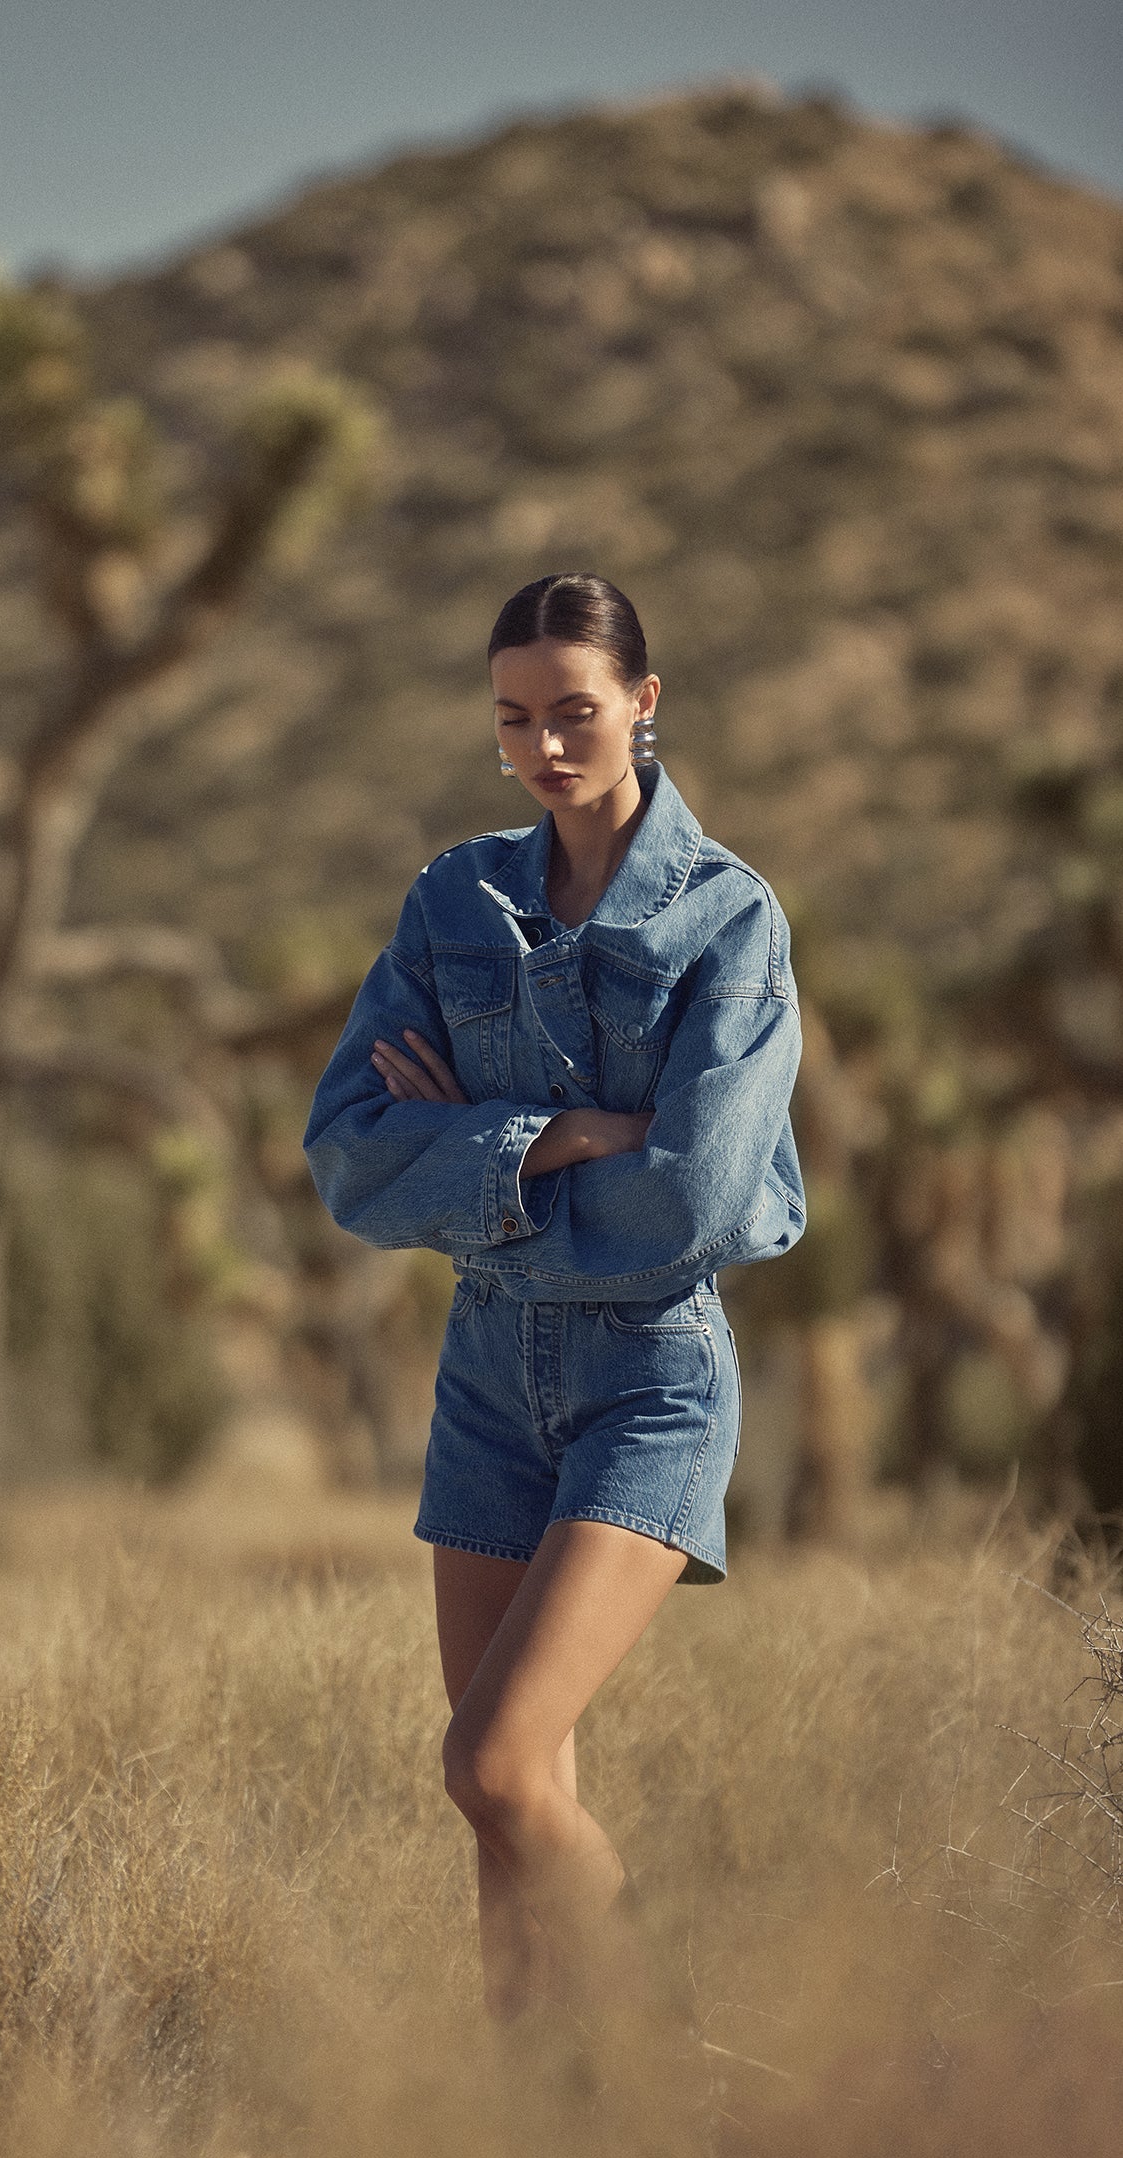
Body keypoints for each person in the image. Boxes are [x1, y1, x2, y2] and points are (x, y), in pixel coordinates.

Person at [303, 572, 806, 2027]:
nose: (544, 747)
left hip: (649, 1377)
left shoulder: (727, 917)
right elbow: (348, 1152)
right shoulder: (450, 900)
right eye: (513, 719)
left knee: (495, 1766)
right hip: (482, 1382)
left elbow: (698, 1202)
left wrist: (474, 1161)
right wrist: (561, 1139)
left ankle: (654, 2041)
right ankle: (547, 2119)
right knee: (500, 1829)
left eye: (575, 711)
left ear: (644, 705)